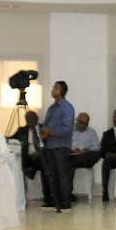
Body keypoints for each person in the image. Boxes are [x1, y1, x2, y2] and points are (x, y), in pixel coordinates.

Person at [39, 80, 75, 212]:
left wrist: (51, 132)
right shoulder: (51, 108)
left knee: (62, 175)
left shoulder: (67, 107)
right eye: (53, 87)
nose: (53, 89)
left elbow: (67, 129)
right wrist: (43, 131)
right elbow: (45, 124)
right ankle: (53, 202)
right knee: (51, 175)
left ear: (62, 91)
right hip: (49, 146)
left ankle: (65, 203)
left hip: (61, 146)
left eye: (56, 88)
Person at [66, 112, 101, 203]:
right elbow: (64, 144)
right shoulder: (69, 131)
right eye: (80, 122)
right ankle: (67, 193)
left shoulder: (91, 132)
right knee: (68, 161)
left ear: (87, 124)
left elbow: (97, 147)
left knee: (96, 154)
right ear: (77, 120)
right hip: (72, 155)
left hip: (86, 157)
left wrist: (85, 150)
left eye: (84, 123)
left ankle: (67, 193)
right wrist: (72, 150)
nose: (81, 125)